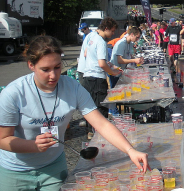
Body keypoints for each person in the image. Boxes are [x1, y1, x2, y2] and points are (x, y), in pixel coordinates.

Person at [0, 36, 150, 190]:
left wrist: (130, 150)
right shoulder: (14, 93)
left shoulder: (72, 87)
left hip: (53, 167)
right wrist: (32, 145)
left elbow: (101, 124)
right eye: (45, 70)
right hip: (15, 171)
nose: (53, 75)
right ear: (31, 65)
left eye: (57, 67)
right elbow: (3, 139)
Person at [82, 17, 122, 139]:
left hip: (88, 76)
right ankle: (100, 135)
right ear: (106, 28)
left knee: (91, 107)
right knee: (100, 107)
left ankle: (91, 132)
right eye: (112, 31)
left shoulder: (91, 37)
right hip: (97, 78)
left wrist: (111, 66)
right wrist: (113, 73)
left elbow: (86, 54)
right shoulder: (101, 42)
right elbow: (101, 64)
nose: (113, 34)